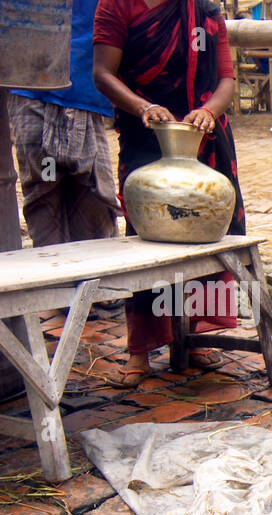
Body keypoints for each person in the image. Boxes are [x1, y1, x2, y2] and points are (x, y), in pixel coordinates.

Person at [92, 0, 245, 387]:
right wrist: (144, 106)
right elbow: (102, 73)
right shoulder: (117, 5)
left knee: (204, 239)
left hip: (205, 139)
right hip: (147, 136)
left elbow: (226, 79)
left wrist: (209, 110)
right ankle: (140, 348)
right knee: (148, 243)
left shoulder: (205, 13)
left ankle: (194, 333)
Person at [7, 0, 119, 254]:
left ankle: (91, 289)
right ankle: (59, 287)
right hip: (37, 92)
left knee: (91, 206)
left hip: (81, 95)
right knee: (47, 201)